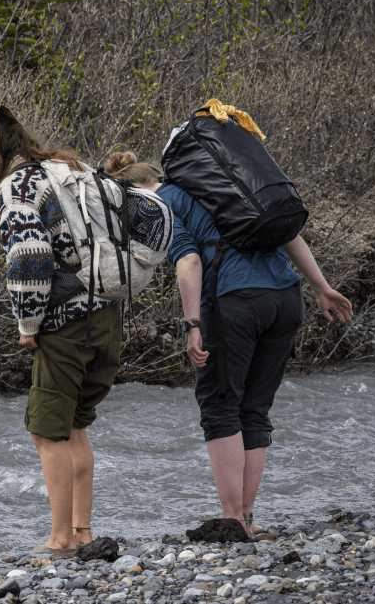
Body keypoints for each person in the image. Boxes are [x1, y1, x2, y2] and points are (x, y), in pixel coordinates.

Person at [0, 105, 169, 552]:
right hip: (109, 315)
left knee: (47, 430)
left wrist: (27, 324)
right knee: (75, 426)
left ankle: (58, 540)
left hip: (66, 324)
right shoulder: (67, 167)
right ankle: (82, 532)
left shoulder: (17, 186)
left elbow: (29, 259)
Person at [108, 151, 352, 534]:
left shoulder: (163, 203)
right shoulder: (221, 185)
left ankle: (233, 519)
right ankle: (248, 517)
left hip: (234, 302)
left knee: (221, 408)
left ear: (134, 189)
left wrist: (193, 324)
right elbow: (288, 232)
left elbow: (188, 261)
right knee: (254, 409)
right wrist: (322, 287)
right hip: (286, 299)